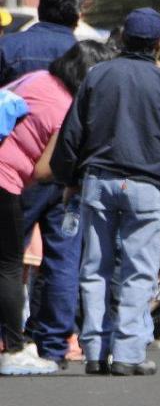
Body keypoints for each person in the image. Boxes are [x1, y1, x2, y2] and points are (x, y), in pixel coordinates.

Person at [51, 8, 160, 375]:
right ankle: (129, 353)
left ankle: (96, 351)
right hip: (148, 188)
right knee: (138, 271)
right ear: (159, 43)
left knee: (94, 268)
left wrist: (68, 179)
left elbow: (72, 134)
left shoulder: (98, 76)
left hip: (98, 182)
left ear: (122, 40)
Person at [0, 41, 113, 375]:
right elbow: (44, 169)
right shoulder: (65, 107)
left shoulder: (35, 80)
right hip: (5, 179)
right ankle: (14, 348)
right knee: (7, 266)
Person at [0, 0, 91, 368]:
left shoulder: (10, 47)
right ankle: (54, 343)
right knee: (62, 254)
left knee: (8, 256)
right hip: (64, 168)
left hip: (18, 164)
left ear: (40, 9)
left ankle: (8, 337)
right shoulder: (85, 54)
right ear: (77, 14)